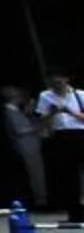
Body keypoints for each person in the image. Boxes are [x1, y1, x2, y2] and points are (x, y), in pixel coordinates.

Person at [38, 73, 84, 220]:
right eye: (54, 83)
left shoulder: (79, 95)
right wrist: (51, 114)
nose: (57, 86)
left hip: (79, 133)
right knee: (68, 176)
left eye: (60, 83)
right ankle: (75, 212)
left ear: (66, 80)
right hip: (61, 135)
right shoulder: (45, 96)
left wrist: (69, 112)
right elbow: (42, 120)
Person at [0, 86, 48, 208]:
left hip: (31, 146)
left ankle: (41, 198)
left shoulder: (17, 111)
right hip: (26, 147)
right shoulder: (10, 111)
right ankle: (40, 200)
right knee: (35, 173)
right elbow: (19, 130)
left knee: (37, 172)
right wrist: (37, 128)